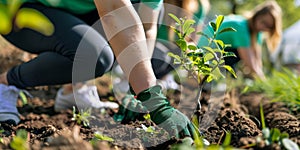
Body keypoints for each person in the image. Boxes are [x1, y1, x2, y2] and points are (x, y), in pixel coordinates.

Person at [0, 0, 197, 139]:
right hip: (21, 10)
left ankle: (74, 91)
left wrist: (131, 89)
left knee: (135, 10)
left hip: (74, 9)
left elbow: (146, 28)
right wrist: (153, 98)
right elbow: (115, 10)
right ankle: (6, 83)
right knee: (94, 56)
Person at [197, 0, 282, 80]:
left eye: (269, 27)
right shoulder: (241, 27)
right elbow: (249, 60)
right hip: (205, 53)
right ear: (256, 16)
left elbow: (257, 60)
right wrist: (262, 81)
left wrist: (261, 76)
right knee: (238, 55)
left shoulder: (257, 33)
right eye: (264, 23)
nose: (264, 28)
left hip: (219, 53)